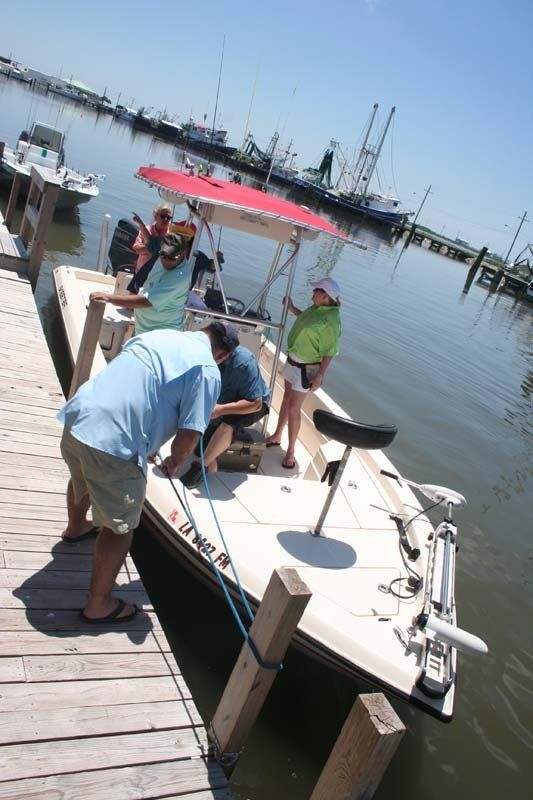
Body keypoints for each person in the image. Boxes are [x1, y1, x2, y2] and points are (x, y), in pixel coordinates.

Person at [58, 322, 239, 623]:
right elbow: (190, 433)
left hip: (79, 415)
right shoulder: (207, 369)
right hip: (115, 443)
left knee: (85, 475)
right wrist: (174, 461)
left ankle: (75, 528)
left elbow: (140, 388)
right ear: (222, 355)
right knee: (120, 528)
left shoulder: (161, 335)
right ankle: (98, 604)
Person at [266, 278, 342, 469]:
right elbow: (305, 320)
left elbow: (330, 351)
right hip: (293, 361)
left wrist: (320, 375)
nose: (313, 293)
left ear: (326, 296)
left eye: (316, 291)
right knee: (286, 399)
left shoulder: (331, 319)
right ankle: (277, 435)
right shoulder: (316, 309)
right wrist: (292, 308)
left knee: (294, 408)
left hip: (306, 368)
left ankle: (291, 452)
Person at [180, 341, 270, 488]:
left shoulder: (245, 362)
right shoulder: (204, 358)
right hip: (222, 401)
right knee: (198, 448)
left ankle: (200, 468)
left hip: (250, 403)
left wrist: (220, 410)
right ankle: (211, 460)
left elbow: (256, 403)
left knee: (229, 423)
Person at [90, 234, 191, 334]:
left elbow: (145, 301)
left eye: (172, 258)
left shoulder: (180, 277)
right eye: (163, 255)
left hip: (162, 334)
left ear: (183, 253)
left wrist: (109, 298)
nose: (166, 261)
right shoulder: (162, 254)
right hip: (144, 328)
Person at [132, 204, 172, 272]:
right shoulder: (147, 230)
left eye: (168, 217)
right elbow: (137, 249)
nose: (166, 219)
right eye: (163, 216)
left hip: (157, 276)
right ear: (155, 217)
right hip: (141, 271)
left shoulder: (171, 235)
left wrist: (148, 248)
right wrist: (155, 249)